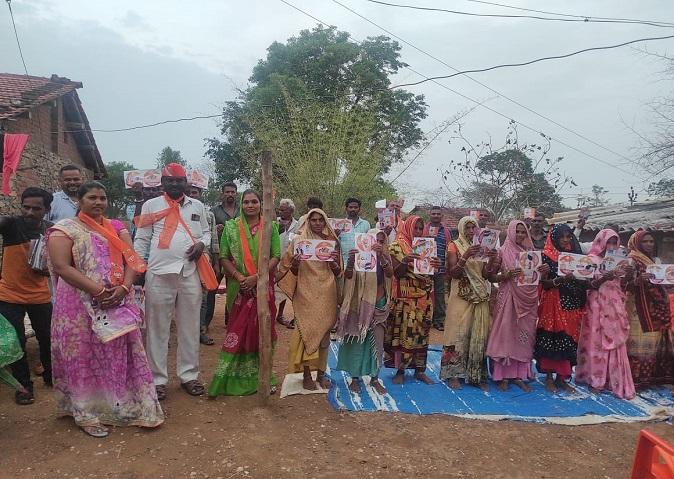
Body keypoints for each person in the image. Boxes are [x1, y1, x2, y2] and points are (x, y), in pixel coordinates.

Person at [47, 181, 163, 438]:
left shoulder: (117, 228)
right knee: (82, 356)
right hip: (77, 305)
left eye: (102, 198)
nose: (98, 202)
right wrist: (97, 291)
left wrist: (124, 287)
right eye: (92, 198)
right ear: (80, 200)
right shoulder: (64, 230)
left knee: (117, 353)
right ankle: (86, 413)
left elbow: (131, 259)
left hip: (117, 300)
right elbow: (62, 267)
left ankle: (121, 405)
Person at [134, 163, 211, 400]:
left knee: (189, 327)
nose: (175, 184)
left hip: (189, 273)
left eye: (179, 180)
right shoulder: (151, 205)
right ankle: (157, 380)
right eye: (170, 181)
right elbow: (142, 239)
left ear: (186, 182)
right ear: (163, 183)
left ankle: (189, 375)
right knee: (157, 328)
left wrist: (201, 244)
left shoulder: (197, 205)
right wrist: (138, 268)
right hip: (158, 274)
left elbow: (206, 233)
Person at [208, 190, 281, 396]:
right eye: (247, 202)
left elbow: (276, 256)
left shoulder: (270, 227)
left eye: (254, 201)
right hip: (238, 288)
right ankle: (233, 376)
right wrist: (241, 278)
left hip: (263, 287)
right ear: (242, 203)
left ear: (260, 204)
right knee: (238, 331)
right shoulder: (231, 228)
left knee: (262, 331)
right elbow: (223, 257)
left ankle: (264, 376)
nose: (250, 205)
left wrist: (256, 278)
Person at [277, 208, 341, 391]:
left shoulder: (331, 242)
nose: (318, 223)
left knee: (324, 333)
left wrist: (334, 263)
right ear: (308, 222)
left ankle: (321, 374)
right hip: (306, 291)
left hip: (327, 292)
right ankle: (306, 374)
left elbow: (339, 272)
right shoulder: (299, 241)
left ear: (325, 222)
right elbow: (289, 270)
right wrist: (296, 264)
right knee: (307, 330)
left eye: (321, 220)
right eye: (314, 220)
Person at [0, 187, 53, 405]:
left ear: (47, 210)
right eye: (26, 207)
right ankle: (24, 387)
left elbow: (60, 263)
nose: (29, 212)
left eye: (36, 208)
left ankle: (52, 376)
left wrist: (47, 269)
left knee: (48, 338)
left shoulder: (51, 231)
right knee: (17, 342)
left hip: (40, 294)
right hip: (9, 294)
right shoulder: (11, 224)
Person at [486, 220, 548, 392]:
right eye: (518, 231)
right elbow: (491, 277)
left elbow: (535, 279)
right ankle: (503, 376)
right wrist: (505, 275)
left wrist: (543, 272)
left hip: (528, 301)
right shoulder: (501, 252)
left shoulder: (531, 253)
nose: (520, 235)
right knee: (506, 334)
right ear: (511, 232)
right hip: (508, 298)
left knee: (524, 336)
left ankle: (519, 375)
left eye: (523, 232)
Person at [575, 229, 635, 399]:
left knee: (615, 340)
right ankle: (595, 378)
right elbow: (588, 284)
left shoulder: (620, 261)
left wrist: (628, 275)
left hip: (614, 303)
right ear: (600, 242)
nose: (611, 246)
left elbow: (624, 284)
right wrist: (604, 277)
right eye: (608, 241)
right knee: (595, 341)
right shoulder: (591, 260)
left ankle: (613, 379)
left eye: (614, 242)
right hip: (595, 304)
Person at [441, 216, 497, 390]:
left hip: (479, 297)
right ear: (461, 229)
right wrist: (465, 255)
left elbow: (486, 275)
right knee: (456, 333)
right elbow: (453, 273)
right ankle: (453, 374)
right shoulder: (454, 245)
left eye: (474, 228)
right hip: (459, 297)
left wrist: (493, 259)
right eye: (468, 228)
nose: (471, 231)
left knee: (476, 334)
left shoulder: (482, 248)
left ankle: (475, 374)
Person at [384, 215, 440, 385]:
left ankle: (419, 370)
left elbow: (431, 274)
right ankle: (400, 370)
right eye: (415, 228)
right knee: (404, 334)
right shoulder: (396, 247)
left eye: (420, 228)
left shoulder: (427, 248)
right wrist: (405, 262)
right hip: (406, 297)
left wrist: (435, 266)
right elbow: (396, 273)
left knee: (422, 333)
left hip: (424, 296)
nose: (417, 231)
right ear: (408, 227)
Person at [336, 229, 393, 395]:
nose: (377, 244)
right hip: (359, 305)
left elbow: (390, 274)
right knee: (356, 341)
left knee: (378, 343)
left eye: (381, 241)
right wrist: (352, 261)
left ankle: (375, 378)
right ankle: (354, 378)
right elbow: (347, 276)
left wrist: (381, 255)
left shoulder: (384, 257)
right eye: (375, 240)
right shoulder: (359, 256)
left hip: (379, 305)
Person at [535, 224, 588, 393]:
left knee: (568, 341)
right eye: (561, 237)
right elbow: (545, 284)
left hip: (572, 304)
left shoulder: (577, 257)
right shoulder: (546, 256)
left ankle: (562, 378)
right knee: (551, 340)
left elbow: (585, 281)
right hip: (553, 303)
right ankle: (549, 378)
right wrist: (562, 278)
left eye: (568, 236)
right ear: (554, 238)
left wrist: (579, 275)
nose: (565, 240)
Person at [624, 230, 674, 390]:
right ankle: (636, 378)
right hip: (638, 307)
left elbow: (663, 283)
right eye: (645, 241)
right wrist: (638, 280)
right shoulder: (631, 260)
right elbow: (624, 285)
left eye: (651, 241)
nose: (649, 244)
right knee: (639, 341)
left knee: (654, 340)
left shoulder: (656, 261)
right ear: (637, 243)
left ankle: (653, 377)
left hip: (657, 305)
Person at [186, 185, 220, 346]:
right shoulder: (175, 212)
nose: (192, 195)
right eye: (189, 192)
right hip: (181, 259)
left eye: (195, 192)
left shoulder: (208, 214)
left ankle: (200, 331)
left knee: (203, 295)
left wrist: (216, 262)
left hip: (204, 259)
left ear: (200, 194)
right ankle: (186, 333)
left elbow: (212, 238)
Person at [424, 206, 451, 331]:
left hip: (440, 268)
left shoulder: (445, 231)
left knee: (440, 295)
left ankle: (439, 321)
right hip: (425, 268)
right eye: (433, 213)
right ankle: (424, 319)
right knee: (425, 294)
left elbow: (449, 249)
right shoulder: (424, 228)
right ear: (430, 215)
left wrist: (446, 266)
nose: (435, 215)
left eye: (438, 214)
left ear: (442, 216)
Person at [276, 198, 299, 329]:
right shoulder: (275, 223)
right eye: (280, 209)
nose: (281, 212)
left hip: (290, 262)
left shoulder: (297, 225)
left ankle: (280, 314)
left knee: (286, 287)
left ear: (290, 210)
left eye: (283, 209)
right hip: (275, 260)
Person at [336, 198, 371, 266]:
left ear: (359, 209)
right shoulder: (340, 224)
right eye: (350, 207)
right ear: (346, 209)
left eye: (355, 207)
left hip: (362, 263)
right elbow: (335, 244)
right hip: (345, 263)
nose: (353, 209)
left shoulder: (366, 224)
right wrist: (336, 234)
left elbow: (369, 243)